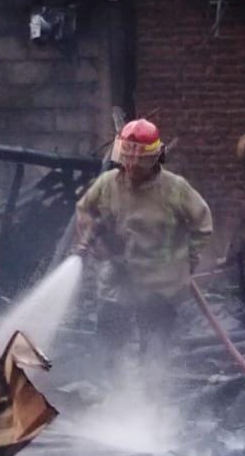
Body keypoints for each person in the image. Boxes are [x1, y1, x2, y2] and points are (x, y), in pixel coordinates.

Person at [73, 118, 212, 359]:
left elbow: (202, 225)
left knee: (154, 342)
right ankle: (110, 378)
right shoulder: (107, 183)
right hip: (118, 277)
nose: (132, 166)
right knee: (110, 338)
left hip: (158, 282)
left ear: (154, 158)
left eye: (139, 161)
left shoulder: (175, 188)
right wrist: (95, 242)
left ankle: (152, 380)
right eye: (127, 158)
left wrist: (186, 260)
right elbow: (84, 209)